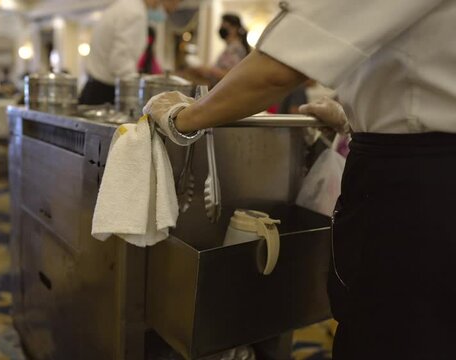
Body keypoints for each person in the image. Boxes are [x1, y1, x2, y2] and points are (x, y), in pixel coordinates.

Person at [145, 1, 456, 359]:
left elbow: (278, 69)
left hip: (417, 183)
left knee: (392, 330)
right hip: (422, 166)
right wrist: (353, 115)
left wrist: (182, 118)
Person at [78, 0, 181, 105]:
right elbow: (120, 64)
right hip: (105, 93)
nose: (172, 10)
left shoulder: (127, 6)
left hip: (96, 88)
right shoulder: (135, 13)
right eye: (169, 8)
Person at [185, 14, 250, 87]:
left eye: (224, 26)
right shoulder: (230, 48)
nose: (221, 28)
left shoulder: (236, 49)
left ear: (234, 29)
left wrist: (209, 70)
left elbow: (231, 75)